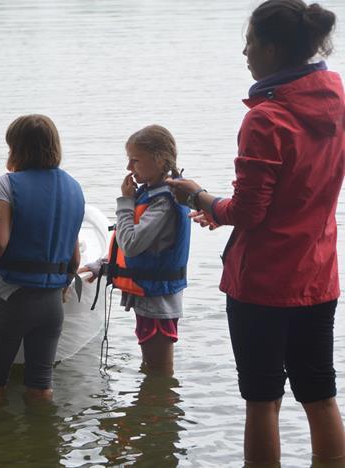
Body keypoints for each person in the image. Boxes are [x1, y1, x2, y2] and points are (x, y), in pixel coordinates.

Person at [167, 0, 345, 464]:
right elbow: (296, 193)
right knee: (320, 395)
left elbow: (249, 211)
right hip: (318, 274)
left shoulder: (266, 118)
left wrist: (200, 197)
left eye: (249, 43)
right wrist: (223, 211)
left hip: (264, 282)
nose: (244, 52)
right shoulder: (337, 106)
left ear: (272, 49)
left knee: (262, 399)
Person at [0, 114, 85, 404]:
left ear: (17, 149)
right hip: (52, 304)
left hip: (14, 299)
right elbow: (74, 256)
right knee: (41, 387)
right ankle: (44, 434)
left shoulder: (7, 184)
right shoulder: (74, 188)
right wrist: (62, 284)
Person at [80, 125, 190, 375]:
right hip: (151, 294)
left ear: (159, 160)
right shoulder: (152, 193)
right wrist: (104, 265)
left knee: (159, 373)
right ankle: (150, 398)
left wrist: (126, 202)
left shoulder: (163, 201)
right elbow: (139, 245)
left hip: (158, 300)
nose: (129, 167)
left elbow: (130, 244)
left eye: (135, 160)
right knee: (151, 368)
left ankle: (157, 400)